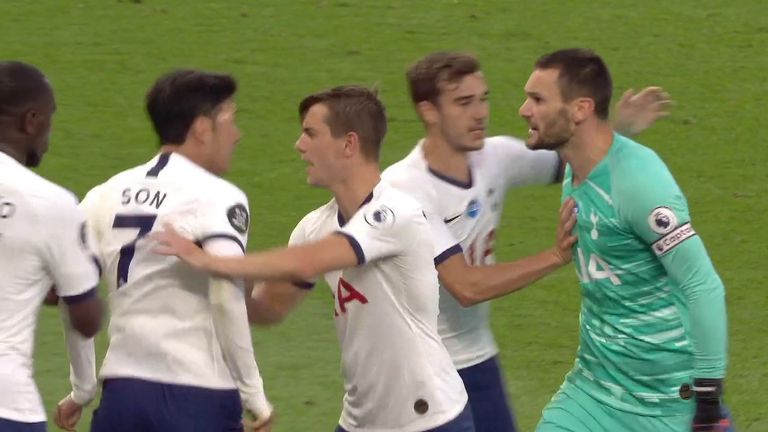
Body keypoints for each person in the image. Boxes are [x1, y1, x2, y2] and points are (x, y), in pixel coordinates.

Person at [151, 85, 523, 432]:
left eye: (311, 134)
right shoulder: (314, 226)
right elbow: (269, 309)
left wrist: (211, 261)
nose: (299, 145)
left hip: (430, 420)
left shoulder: (396, 212)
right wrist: (232, 282)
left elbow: (309, 263)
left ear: (348, 145)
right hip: (359, 421)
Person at [380, 51, 671, 432]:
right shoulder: (405, 188)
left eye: (483, 98)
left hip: (478, 359)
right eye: (464, 103)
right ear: (429, 112)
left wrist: (617, 131)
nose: (480, 113)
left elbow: (577, 159)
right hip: (418, 371)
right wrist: (554, 256)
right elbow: (465, 286)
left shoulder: (495, 156)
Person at [519, 48, 730, 432]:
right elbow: (604, 159)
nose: (523, 109)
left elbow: (702, 284)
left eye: (537, 99)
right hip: (592, 390)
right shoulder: (579, 166)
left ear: (580, 109)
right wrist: (619, 128)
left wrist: (709, 400)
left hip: (664, 402)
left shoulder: (642, 184)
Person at [55, 69, 272, 432]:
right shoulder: (218, 195)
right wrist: (254, 395)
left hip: (122, 397)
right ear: (203, 128)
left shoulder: (101, 196)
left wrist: (82, 387)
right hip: (198, 397)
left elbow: (71, 294)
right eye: (231, 121)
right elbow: (225, 293)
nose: (237, 135)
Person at [0, 61, 103, 432]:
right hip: (7, 404)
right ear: (31, 120)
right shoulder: (51, 203)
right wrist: (83, 272)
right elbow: (86, 319)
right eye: (48, 120)